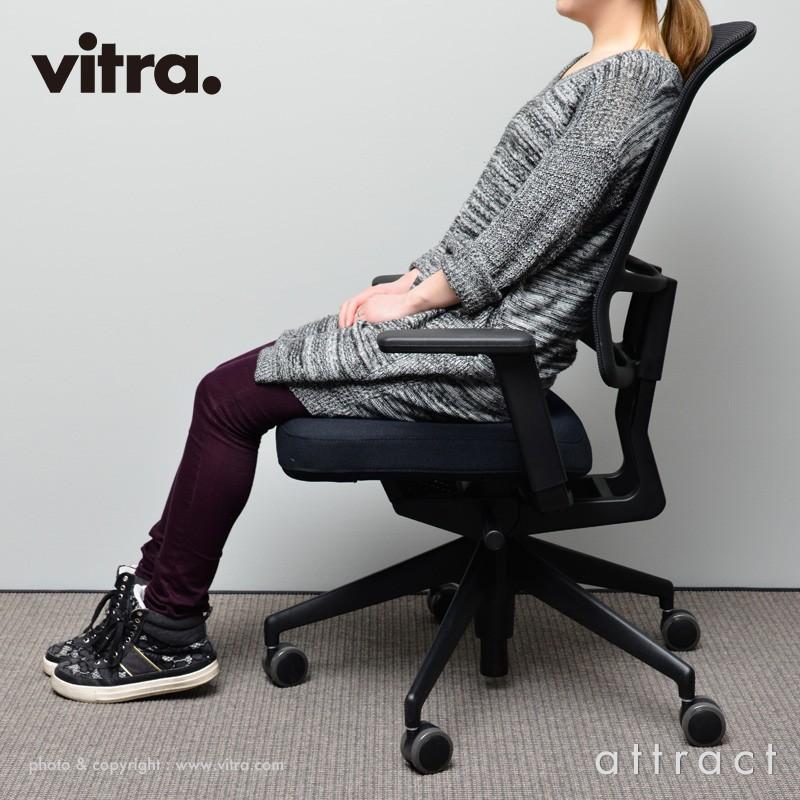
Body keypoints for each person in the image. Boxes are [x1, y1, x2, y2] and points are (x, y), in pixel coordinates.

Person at [45, 0, 711, 702]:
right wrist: (414, 280)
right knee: (227, 391)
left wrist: (419, 301)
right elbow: (492, 218)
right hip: (474, 331)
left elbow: (533, 227)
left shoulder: (630, 80)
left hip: (489, 356)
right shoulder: (596, 68)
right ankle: (150, 599)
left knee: (226, 399)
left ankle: (169, 633)